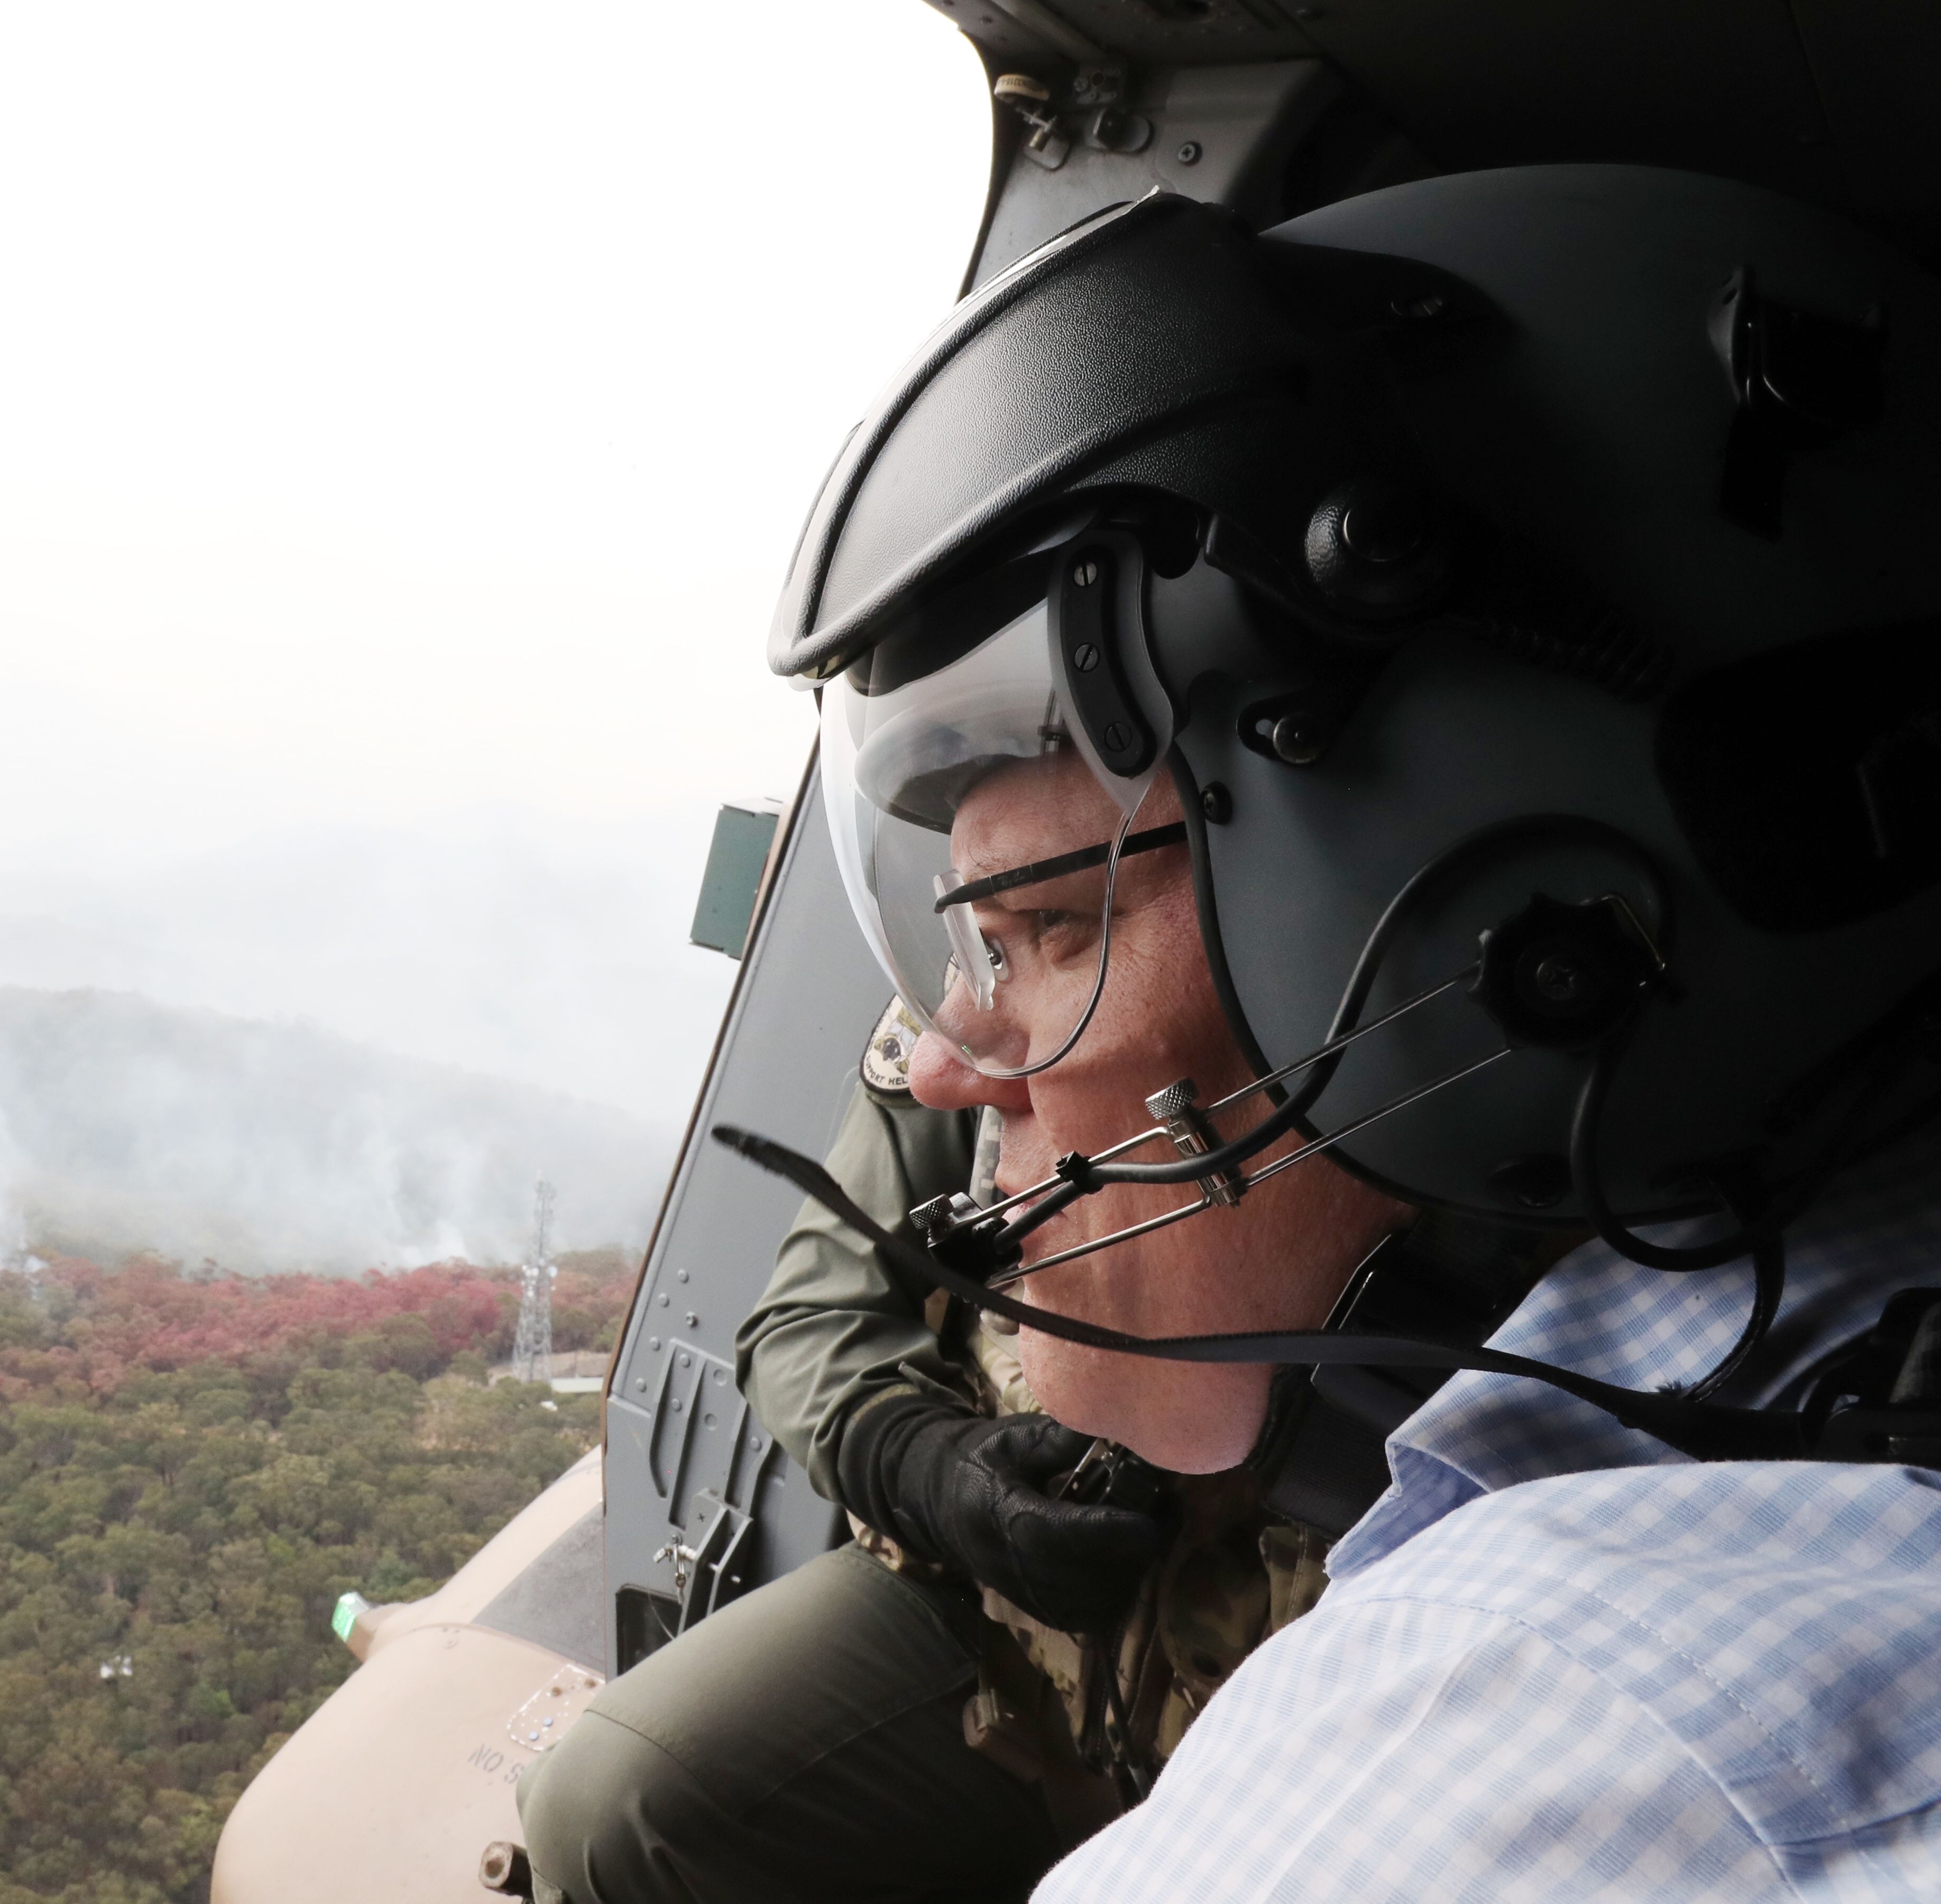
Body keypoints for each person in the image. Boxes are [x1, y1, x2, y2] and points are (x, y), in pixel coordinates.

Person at [537, 161, 1941, 1900]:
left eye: (1052, 928)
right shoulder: (1741, 1297)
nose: (960, 1049)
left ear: (1531, 947)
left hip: (1255, 1643)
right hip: (1013, 1600)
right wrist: (931, 1458)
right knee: (621, 1807)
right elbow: (820, 1304)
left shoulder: (1557, 1716)